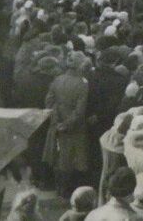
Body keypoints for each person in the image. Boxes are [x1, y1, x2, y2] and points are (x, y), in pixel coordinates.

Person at [44, 52, 90, 199]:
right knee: (74, 160)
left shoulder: (57, 80)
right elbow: (80, 111)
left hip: (56, 124)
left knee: (58, 157)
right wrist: (66, 124)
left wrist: (57, 121)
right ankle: (69, 191)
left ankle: (59, 188)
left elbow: (49, 102)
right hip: (74, 128)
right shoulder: (83, 84)